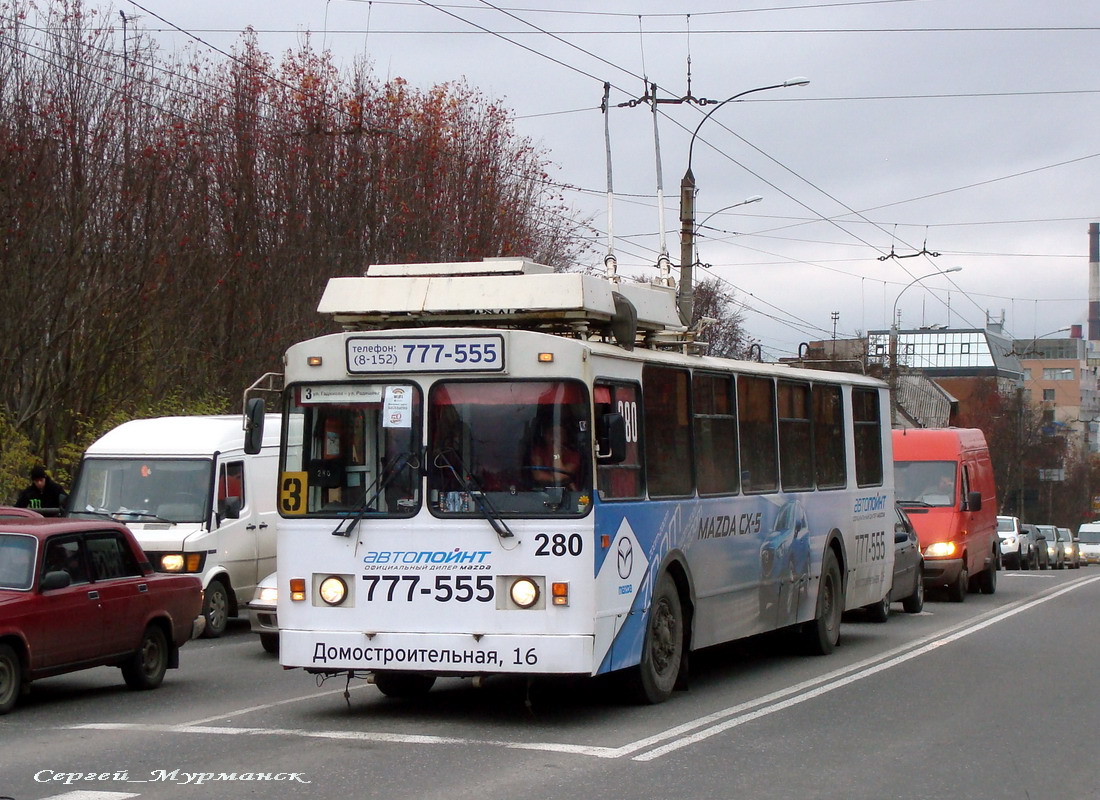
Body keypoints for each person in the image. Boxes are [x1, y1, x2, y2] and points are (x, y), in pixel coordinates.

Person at [527, 420, 582, 489]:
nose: (554, 437)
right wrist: (555, 479)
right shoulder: (538, 451)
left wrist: (556, 452)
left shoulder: (573, 456)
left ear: (565, 437)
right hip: (541, 492)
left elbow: (559, 475)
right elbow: (538, 475)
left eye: (558, 434)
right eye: (551, 433)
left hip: (568, 493)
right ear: (545, 435)